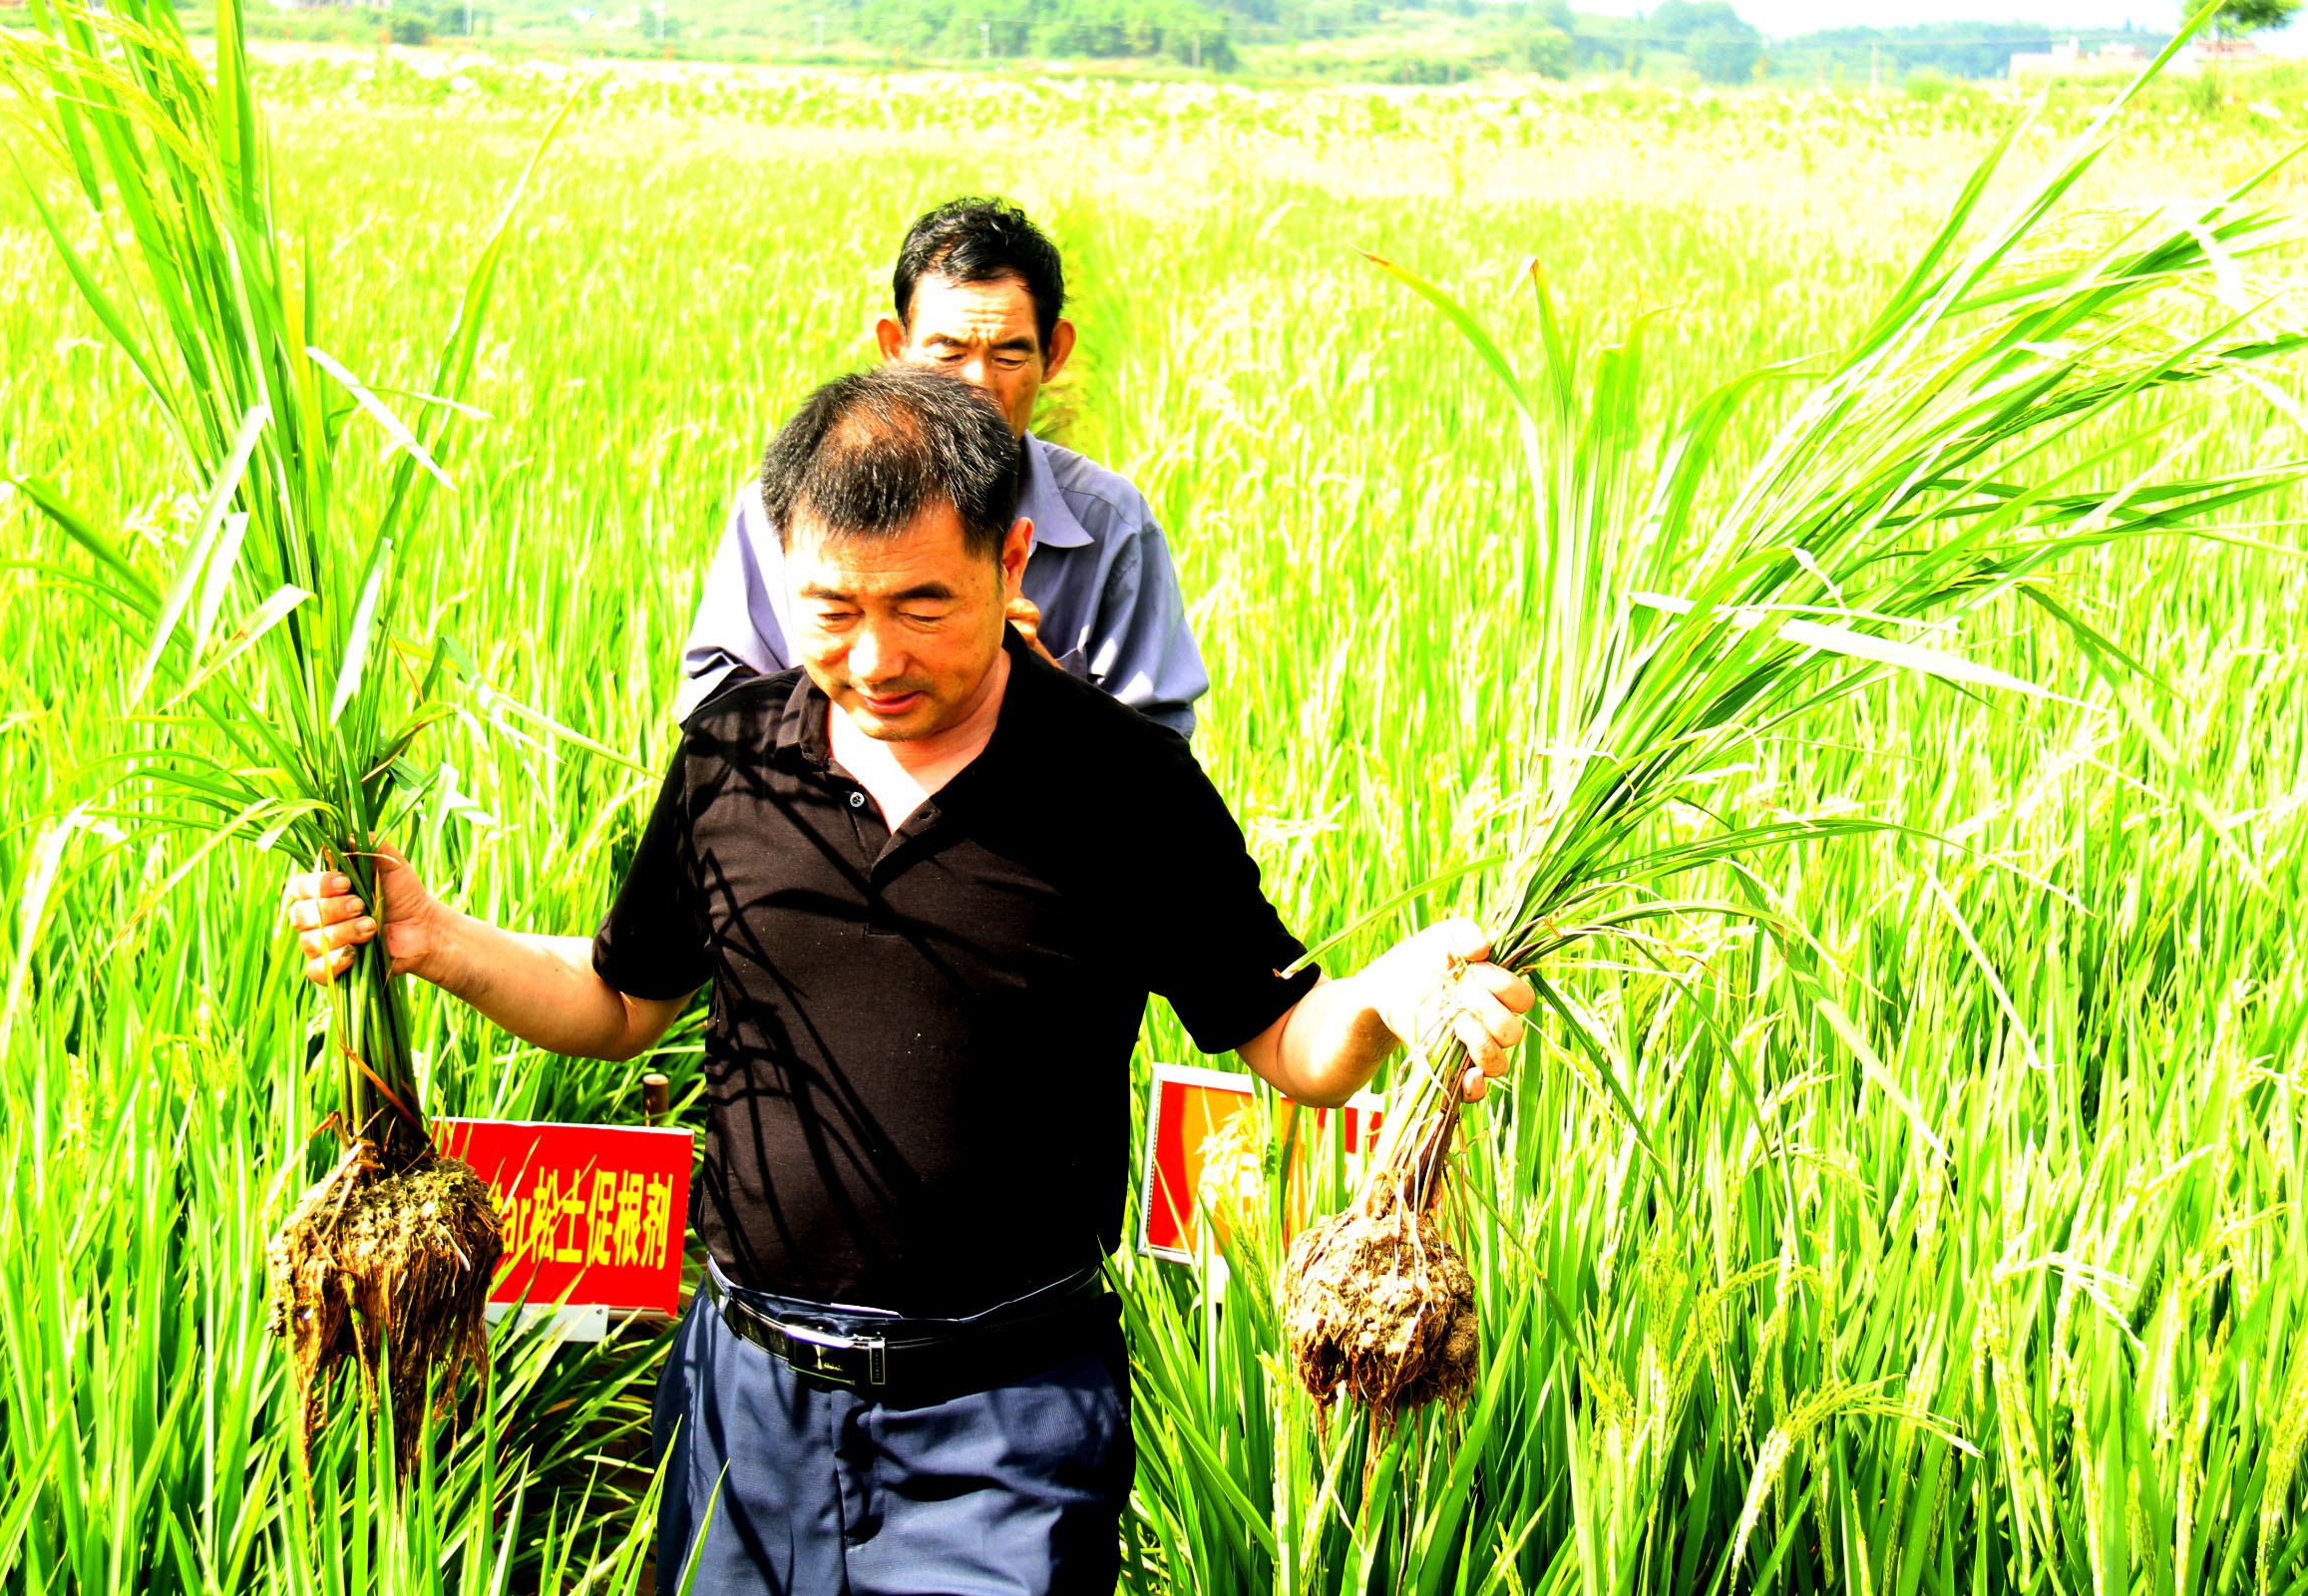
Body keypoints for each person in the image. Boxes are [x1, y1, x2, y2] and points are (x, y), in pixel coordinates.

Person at [283, 368, 1530, 1596]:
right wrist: (434, 937)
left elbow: (1290, 1039)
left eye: (922, 605)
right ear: (782, 569)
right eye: (831, 609)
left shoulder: (1121, 788)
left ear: (1014, 557)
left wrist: (1389, 989)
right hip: (743, 1402)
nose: (873, 657)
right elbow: (619, 1003)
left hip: (1004, 1421)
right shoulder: (733, 760)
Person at [679, 197, 1212, 736]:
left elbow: (1163, 755)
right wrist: (865, 679)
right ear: (895, 346)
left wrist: (1034, 676)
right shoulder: (794, 507)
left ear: (1054, 353)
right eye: (947, 353)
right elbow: (714, 714)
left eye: (1008, 356)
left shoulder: (1110, 523)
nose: (977, 386)